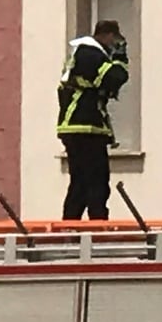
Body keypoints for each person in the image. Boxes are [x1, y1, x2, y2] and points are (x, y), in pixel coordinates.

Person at [57, 20, 130, 221]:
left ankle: (70, 228)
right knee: (97, 181)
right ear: (107, 35)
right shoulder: (91, 54)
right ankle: (98, 227)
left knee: (79, 183)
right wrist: (121, 56)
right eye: (115, 40)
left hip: (76, 127)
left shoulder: (82, 53)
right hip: (86, 127)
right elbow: (116, 76)